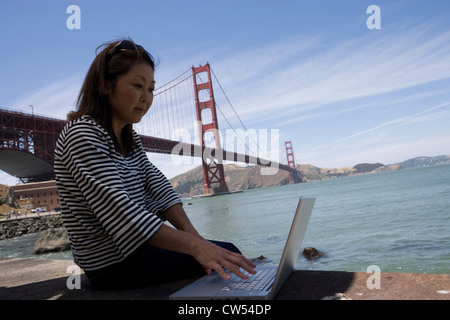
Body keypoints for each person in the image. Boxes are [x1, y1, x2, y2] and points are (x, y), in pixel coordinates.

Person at [54, 39, 256, 290]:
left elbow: (157, 187)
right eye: (138, 86)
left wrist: (198, 240)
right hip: (112, 264)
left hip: (137, 250)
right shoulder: (82, 134)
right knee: (225, 256)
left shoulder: (128, 136)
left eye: (151, 89)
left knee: (220, 254)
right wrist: (197, 248)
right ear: (105, 85)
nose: (146, 98)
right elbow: (122, 214)